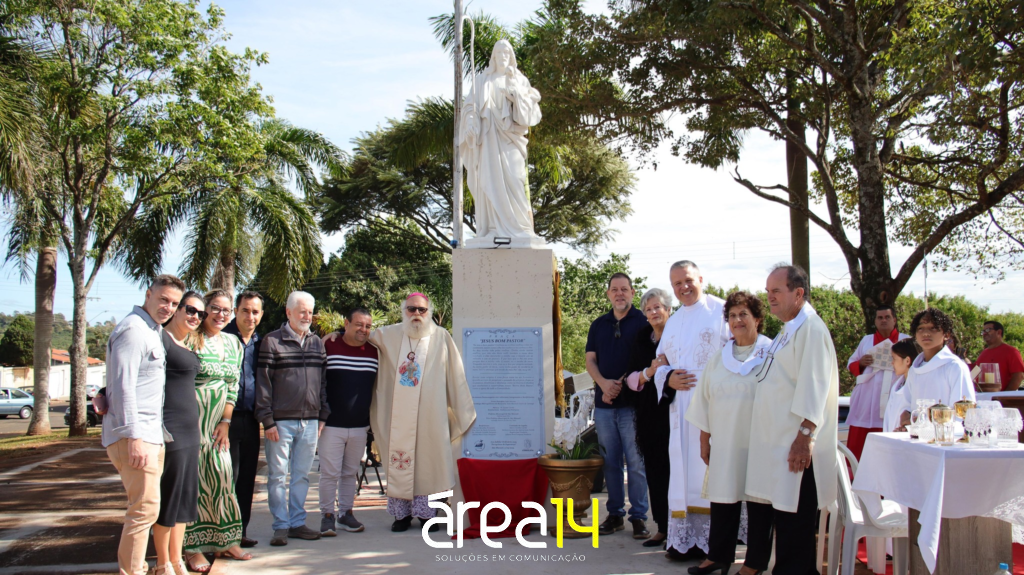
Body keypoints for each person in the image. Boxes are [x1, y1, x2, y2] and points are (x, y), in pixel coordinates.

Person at [746, 264, 839, 575]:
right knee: (784, 518)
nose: (770, 298)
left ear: (798, 293)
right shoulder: (789, 328)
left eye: (777, 291)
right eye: (768, 291)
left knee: (796, 523)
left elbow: (814, 386)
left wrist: (804, 436)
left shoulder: (811, 329)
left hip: (795, 445)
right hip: (778, 443)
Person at [369, 293, 476, 532]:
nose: (416, 314)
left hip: (431, 415)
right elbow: (358, 338)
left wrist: (460, 408)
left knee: (430, 464)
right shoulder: (387, 335)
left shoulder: (441, 337)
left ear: (428, 312)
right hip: (397, 415)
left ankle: (428, 515)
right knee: (400, 461)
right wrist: (335, 335)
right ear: (403, 311)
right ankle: (401, 516)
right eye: (411, 309)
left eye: (421, 310)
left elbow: (455, 373)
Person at [686, 291, 775, 575]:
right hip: (725, 442)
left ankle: (754, 563)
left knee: (760, 503)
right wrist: (704, 438)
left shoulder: (772, 353)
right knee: (723, 499)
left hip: (761, 442)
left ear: (758, 319)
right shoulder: (719, 358)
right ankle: (718, 558)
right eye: (733, 316)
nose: (737, 320)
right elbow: (704, 399)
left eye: (743, 314)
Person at [103, 274, 183, 575]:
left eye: (174, 303)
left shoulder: (151, 330)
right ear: (148, 294)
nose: (168, 307)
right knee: (143, 510)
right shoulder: (134, 330)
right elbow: (123, 387)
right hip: (136, 436)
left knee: (146, 509)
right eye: (163, 299)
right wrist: (134, 437)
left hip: (151, 433)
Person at [652, 261, 729, 558]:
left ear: (700, 278)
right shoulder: (673, 321)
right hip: (681, 410)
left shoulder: (721, 311)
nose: (683, 288)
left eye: (687, 280)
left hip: (714, 403)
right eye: (676, 284)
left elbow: (740, 350)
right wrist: (668, 377)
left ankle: (716, 542)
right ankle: (685, 541)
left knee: (711, 470)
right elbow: (659, 363)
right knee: (684, 472)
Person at [183, 290, 250, 572]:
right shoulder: (189, 339)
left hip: (219, 424)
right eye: (215, 308)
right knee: (195, 483)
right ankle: (192, 548)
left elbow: (233, 386)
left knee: (222, 479)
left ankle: (225, 540)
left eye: (226, 310)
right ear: (204, 310)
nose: (221, 315)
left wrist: (225, 422)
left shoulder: (234, 343)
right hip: (191, 421)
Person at [255, 291, 329, 546]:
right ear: (288, 312)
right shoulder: (272, 341)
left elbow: (323, 384)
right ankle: (281, 527)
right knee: (277, 475)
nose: (307, 316)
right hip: (281, 422)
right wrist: (267, 420)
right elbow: (263, 384)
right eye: (302, 311)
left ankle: (297, 523)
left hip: (310, 422)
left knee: (301, 475)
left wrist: (322, 416)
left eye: (310, 311)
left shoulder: (317, 343)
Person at [458, 39, 544, 248]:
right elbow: (470, 107)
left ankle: (521, 227)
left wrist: (516, 97)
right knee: (489, 179)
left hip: (511, 139)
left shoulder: (518, 79)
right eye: (499, 52)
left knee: (515, 178)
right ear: (494, 56)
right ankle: (493, 228)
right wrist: (470, 123)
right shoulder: (481, 81)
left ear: (511, 56)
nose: (503, 56)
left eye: (507, 52)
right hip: (488, 140)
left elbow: (532, 112)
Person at [585, 273, 650, 539]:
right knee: (610, 463)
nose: (619, 293)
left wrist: (619, 385)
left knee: (635, 463)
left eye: (624, 289)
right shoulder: (598, 324)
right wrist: (603, 384)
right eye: (615, 290)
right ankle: (615, 515)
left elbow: (647, 360)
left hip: (633, 405)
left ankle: (639, 516)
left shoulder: (644, 322)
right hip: (604, 407)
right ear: (608, 294)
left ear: (633, 293)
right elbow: (591, 360)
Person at [151, 291, 203, 575]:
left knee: (185, 499)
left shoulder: (186, 344)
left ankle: (176, 559)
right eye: (191, 310)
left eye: (200, 314)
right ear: (177, 309)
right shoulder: (159, 339)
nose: (196, 317)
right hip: (169, 431)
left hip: (190, 432)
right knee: (169, 498)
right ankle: (161, 562)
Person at [319, 308, 377, 536]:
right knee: (330, 473)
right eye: (359, 324)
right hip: (331, 425)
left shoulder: (375, 351)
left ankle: (346, 513)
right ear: (346, 323)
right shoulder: (328, 346)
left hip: (360, 425)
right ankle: (327, 516)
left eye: (368, 326)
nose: (363, 329)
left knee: (350, 472)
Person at [625, 288, 672, 547]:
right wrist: (648, 372)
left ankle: (683, 532)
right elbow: (631, 378)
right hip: (649, 416)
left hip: (676, 414)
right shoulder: (642, 338)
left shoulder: (678, 336)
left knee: (678, 473)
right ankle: (663, 528)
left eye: (658, 307)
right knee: (655, 471)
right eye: (649, 309)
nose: (654, 312)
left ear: (668, 310)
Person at [223, 291, 264, 548]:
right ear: (236, 312)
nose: (250, 316)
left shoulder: (262, 343)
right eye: (246, 310)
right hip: (223, 420)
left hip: (251, 419)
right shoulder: (221, 337)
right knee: (227, 477)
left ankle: (240, 532)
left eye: (255, 312)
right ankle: (221, 534)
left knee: (247, 479)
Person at [893, 308, 976, 430]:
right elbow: (907, 404)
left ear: (946, 334)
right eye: (920, 329)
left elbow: (963, 412)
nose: (926, 333)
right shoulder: (914, 370)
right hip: (918, 437)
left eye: (933, 328)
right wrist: (906, 417)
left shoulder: (954, 366)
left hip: (945, 438)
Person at [845, 305, 910, 460]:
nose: (883, 320)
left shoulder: (905, 340)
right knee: (860, 447)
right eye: (880, 318)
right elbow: (851, 364)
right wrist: (861, 363)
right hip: (867, 401)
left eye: (887, 317)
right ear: (875, 321)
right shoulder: (866, 341)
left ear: (894, 320)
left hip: (892, 398)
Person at [882, 339, 919, 432]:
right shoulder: (897, 384)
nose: (892, 363)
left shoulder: (917, 385)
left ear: (907, 360)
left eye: (894, 358)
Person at [976, 320, 1024, 391]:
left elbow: (1019, 376)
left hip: (1003, 400)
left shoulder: (1012, 352)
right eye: (983, 331)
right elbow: (974, 375)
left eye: (988, 330)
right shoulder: (983, 354)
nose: (984, 333)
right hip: (984, 399)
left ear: (999, 332)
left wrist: (1004, 396)